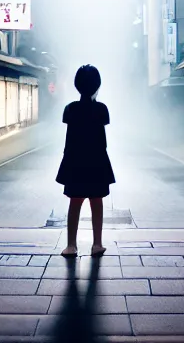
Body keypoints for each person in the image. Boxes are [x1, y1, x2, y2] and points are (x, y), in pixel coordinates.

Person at [56, 65, 115, 257]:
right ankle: (97, 243)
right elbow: (102, 138)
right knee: (96, 202)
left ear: (76, 85)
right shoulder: (102, 109)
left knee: (75, 202)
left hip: (75, 160)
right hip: (97, 160)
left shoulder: (70, 109)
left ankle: (71, 245)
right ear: (98, 85)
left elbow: (69, 138)